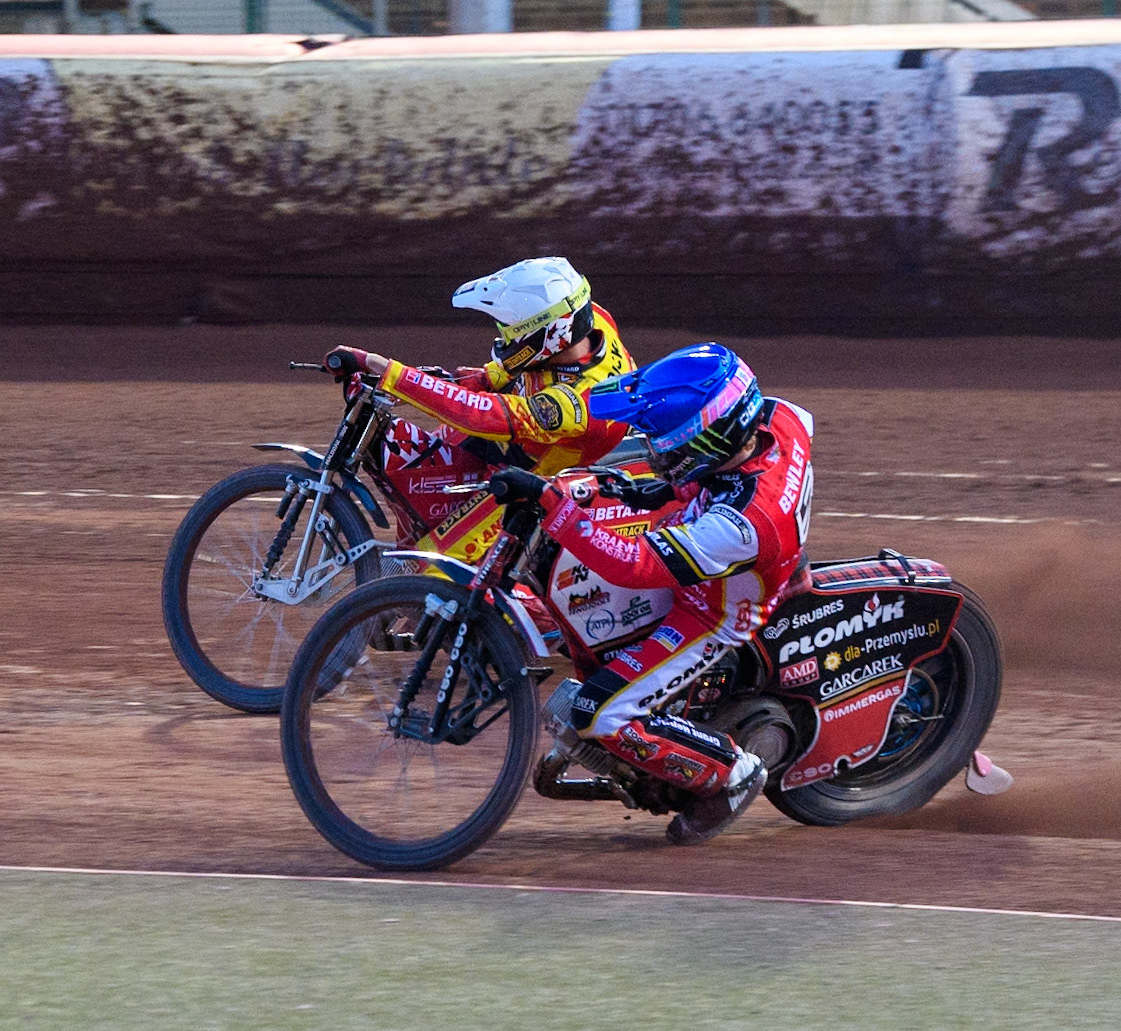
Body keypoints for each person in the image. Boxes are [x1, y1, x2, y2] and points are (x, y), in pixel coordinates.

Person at [486, 343, 815, 844]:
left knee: (600, 712)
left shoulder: (744, 523)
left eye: (673, 448)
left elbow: (633, 566)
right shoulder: (779, 418)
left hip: (711, 613)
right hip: (728, 542)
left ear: (712, 444)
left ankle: (732, 775)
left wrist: (555, 506)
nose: (658, 453)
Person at [325, 256, 634, 558]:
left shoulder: (576, 404)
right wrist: (460, 378)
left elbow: (479, 414)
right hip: (511, 439)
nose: (504, 338)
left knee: (431, 562)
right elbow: (499, 380)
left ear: (550, 336)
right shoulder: (586, 318)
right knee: (414, 474)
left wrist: (386, 369)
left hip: (526, 478)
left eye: (513, 331)